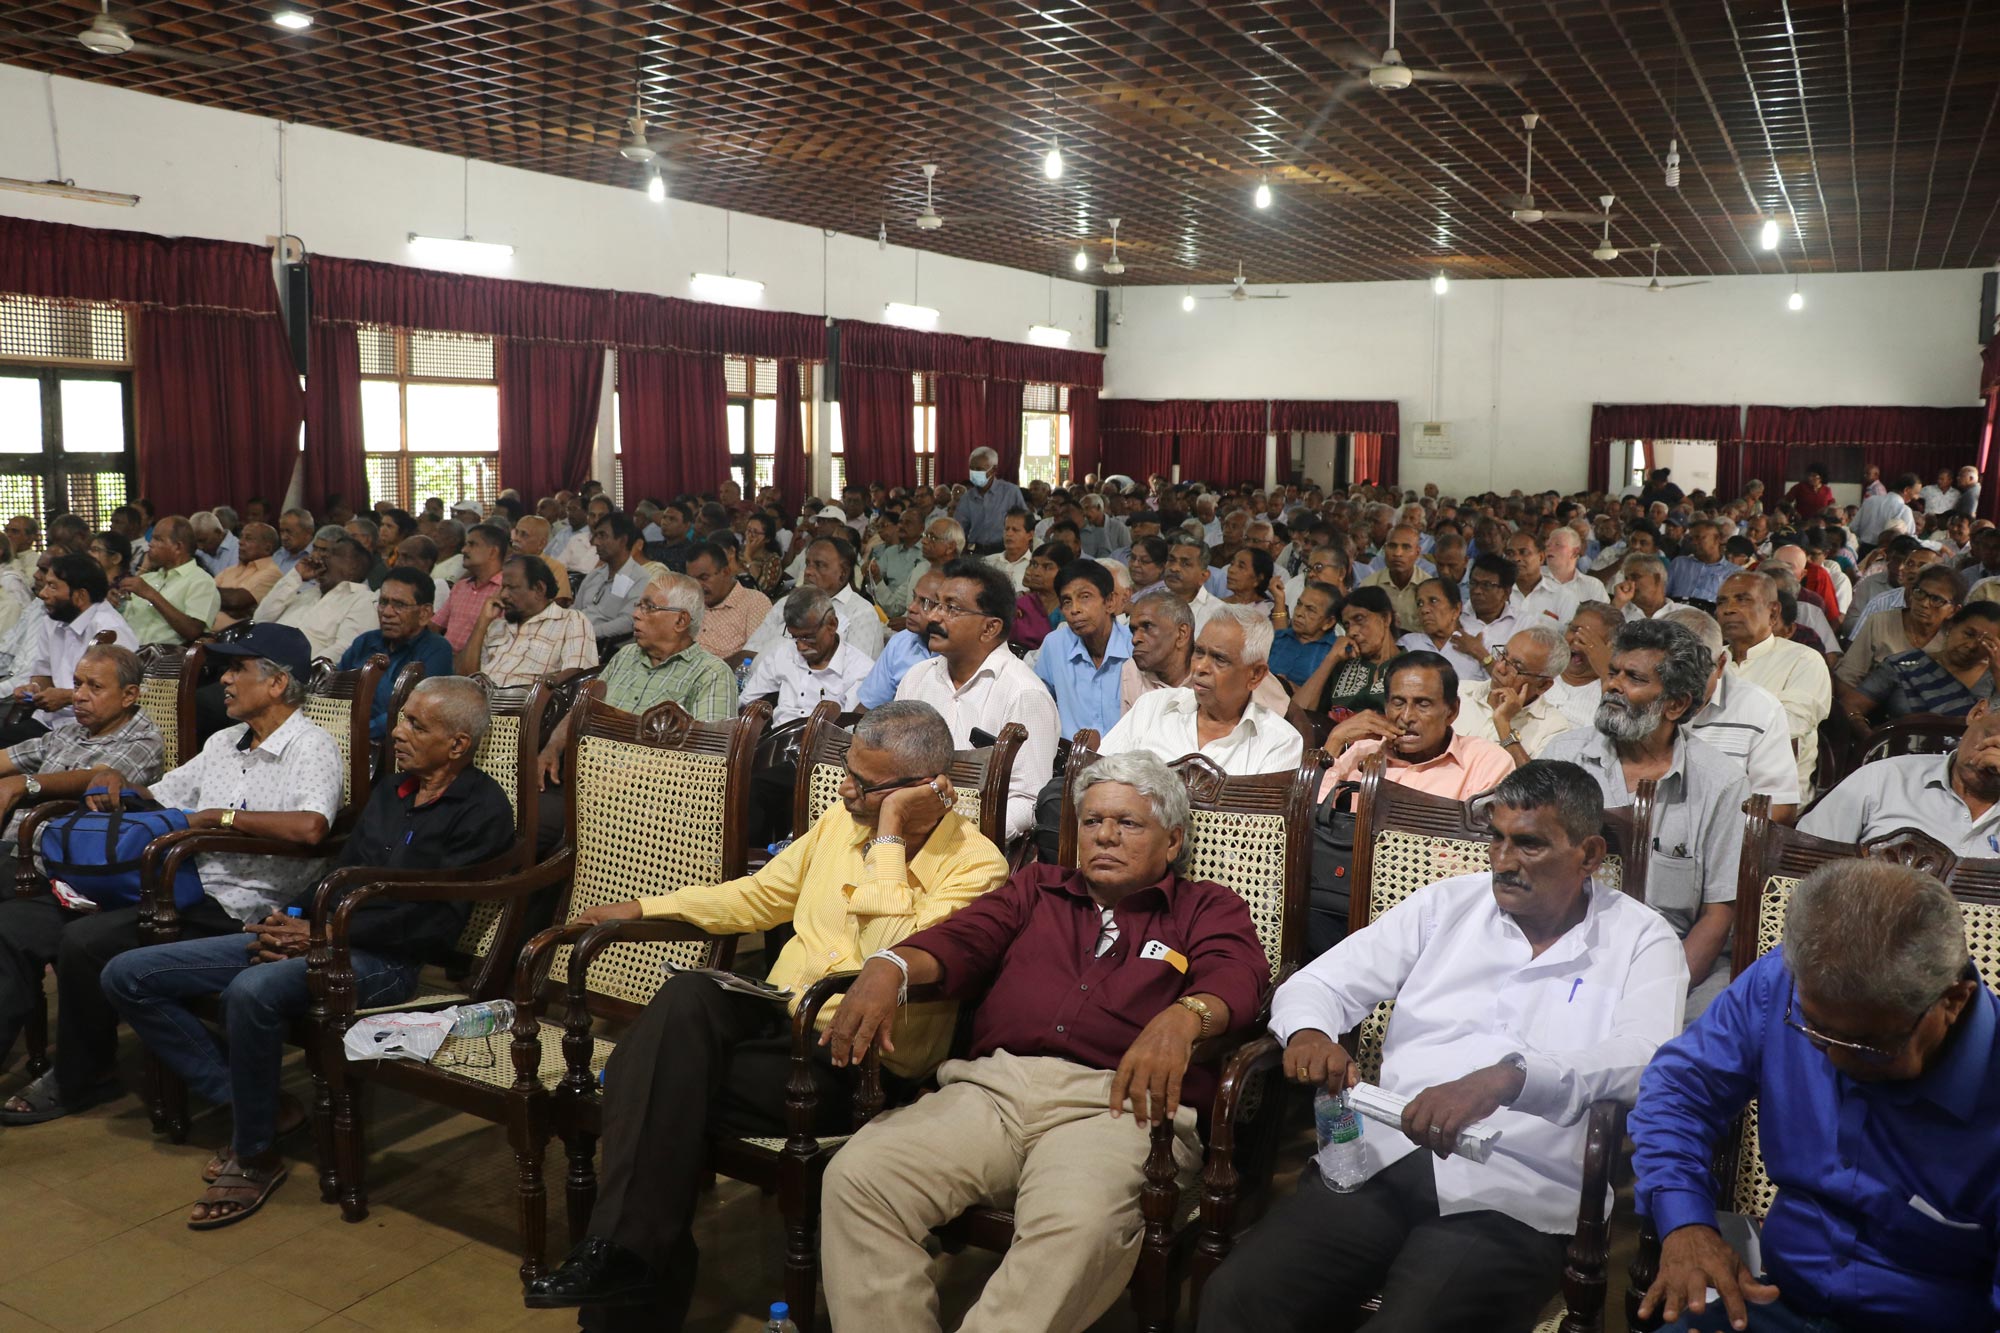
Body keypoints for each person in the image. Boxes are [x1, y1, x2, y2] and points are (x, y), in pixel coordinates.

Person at [524, 702, 1007, 1328]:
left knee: (651, 1086)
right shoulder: (838, 823)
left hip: (855, 1061)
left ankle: (628, 1276)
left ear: (922, 789)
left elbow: (885, 959)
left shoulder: (978, 866)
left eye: (865, 784)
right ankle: (632, 1257)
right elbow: (758, 896)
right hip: (780, 1017)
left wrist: (888, 836)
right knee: (688, 996)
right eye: (847, 771)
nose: (844, 789)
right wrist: (643, 908)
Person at [1201, 761, 1686, 1333]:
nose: (1503, 861)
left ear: (1589, 855)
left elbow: (1645, 1058)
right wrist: (1310, 1031)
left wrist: (1509, 1079)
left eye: (1529, 844)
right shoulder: (1447, 905)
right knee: (1237, 1298)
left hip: (1519, 1190)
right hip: (1383, 1157)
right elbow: (1320, 983)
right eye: (1497, 838)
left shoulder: (1641, 937)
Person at [820, 749, 1268, 1333]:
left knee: (1079, 1224)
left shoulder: (1206, 906)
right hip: (991, 1091)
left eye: (1128, 823)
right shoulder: (1037, 888)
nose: (1105, 836)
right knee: (860, 1176)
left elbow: (1238, 978)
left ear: (1173, 841)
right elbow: (963, 938)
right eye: (1092, 821)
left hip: (1117, 1108)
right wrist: (890, 966)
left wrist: (1186, 1016)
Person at [97, 676, 513, 1226]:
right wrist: (288, 918)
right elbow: (342, 872)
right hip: (321, 938)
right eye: (402, 718)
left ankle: (254, 1155)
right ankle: (261, 1107)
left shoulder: (482, 809)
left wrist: (324, 936)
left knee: (251, 991)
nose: (398, 732)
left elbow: (432, 923)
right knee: (128, 974)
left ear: (458, 744)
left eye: (416, 724)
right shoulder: (393, 790)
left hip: (385, 963)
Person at [1630, 859, 1996, 1333]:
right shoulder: (1782, 983)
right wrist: (1685, 1220)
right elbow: (1679, 1090)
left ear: (1953, 1001)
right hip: (1780, 1301)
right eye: (1815, 1032)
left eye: (1868, 1045)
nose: (1836, 1060)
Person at [0, 625, 344, 1124]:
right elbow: (161, 796)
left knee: (86, 941)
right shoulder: (225, 742)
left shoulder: (311, 746)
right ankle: (85, 1065)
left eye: (237, 669)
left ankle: (80, 1075)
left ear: (276, 683)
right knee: (25, 924)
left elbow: (312, 827)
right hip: (179, 882)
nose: (224, 679)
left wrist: (221, 818)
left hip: (241, 903)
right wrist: (117, 781)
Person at [1541, 620, 1745, 1017]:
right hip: (1563, 949)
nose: (1612, 686)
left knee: (1700, 1029)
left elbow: (1718, 913)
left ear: (1676, 704)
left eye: (1634, 678)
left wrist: (1658, 993)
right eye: (1613, 672)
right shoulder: (1562, 757)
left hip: (1673, 961)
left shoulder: (1721, 783)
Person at [896, 559, 1057, 842]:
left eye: (951, 608)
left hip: (973, 843)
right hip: (905, 825)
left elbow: (1028, 800)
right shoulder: (918, 677)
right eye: (936, 604)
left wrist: (961, 835)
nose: (934, 617)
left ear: (990, 628)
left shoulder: (1023, 693)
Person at [0, 644, 164, 885]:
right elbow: (5, 759)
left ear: (128, 695)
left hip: (52, 865)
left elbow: (97, 778)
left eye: (95, 687)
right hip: (11, 848)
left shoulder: (143, 741)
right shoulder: (70, 733)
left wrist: (23, 784)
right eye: (77, 684)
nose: (79, 696)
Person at [1101, 606, 1304, 776]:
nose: (1199, 667)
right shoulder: (1152, 707)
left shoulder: (1279, 742)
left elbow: (1261, 813)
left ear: (1256, 675)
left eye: (1219, 659)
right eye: (1198, 652)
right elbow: (1099, 775)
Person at [1799, 697, 2000, 855]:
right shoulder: (1882, 779)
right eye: (1990, 740)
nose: (1989, 758)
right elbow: (1804, 857)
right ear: (1977, 713)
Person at [1316, 650, 1513, 802]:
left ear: (1452, 711)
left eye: (1423, 704)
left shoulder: (1484, 762)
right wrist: (1334, 741)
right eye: (1398, 703)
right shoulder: (1362, 753)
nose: (1407, 716)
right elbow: (1308, 818)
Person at [1664, 607, 1802, 822]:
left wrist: (1717, 832)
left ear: (1720, 665)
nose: (1683, 685)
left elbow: (1779, 807)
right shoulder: (1638, 696)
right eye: (1670, 673)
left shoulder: (1760, 710)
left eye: (1695, 673)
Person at [1715, 572, 1832, 799]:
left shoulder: (1803, 660)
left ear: (1774, 612)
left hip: (1770, 796)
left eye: (1742, 600)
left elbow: (1783, 734)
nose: (1728, 609)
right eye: (1721, 602)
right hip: (1706, 789)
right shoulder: (1709, 660)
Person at [10, 552, 138, 744]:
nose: (43, 593)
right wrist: (33, 690)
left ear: (80, 596)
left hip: (91, 730)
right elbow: (43, 673)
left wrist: (68, 697)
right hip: (48, 723)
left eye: (53, 586)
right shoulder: (53, 620)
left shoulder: (109, 630)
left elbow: (118, 693)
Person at [338, 567, 456, 740]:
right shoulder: (364, 642)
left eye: (399, 605)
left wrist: (359, 732)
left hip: (395, 748)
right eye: (383, 602)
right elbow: (334, 692)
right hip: (343, 737)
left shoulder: (437, 650)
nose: (387, 612)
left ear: (424, 614)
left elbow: (415, 713)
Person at [1842, 600, 2000, 724]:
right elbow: (1850, 705)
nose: (1972, 646)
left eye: (1986, 642)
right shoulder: (1905, 665)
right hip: (1899, 750)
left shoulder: (1994, 678)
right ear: (1951, 627)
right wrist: (1871, 738)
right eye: (1968, 634)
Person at [459, 554, 597, 687]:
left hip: (528, 700)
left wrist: (545, 687)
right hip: (481, 700)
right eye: (503, 587)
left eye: (511, 587)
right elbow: (466, 678)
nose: (503, 595)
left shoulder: (571, 620)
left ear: (539, 589)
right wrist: (482, 621)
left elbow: (578, 673)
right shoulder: (496, 625)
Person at [742, 587, 872, 726]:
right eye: (795, 637)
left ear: (832, 625)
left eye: (808, 637)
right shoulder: (783, 654)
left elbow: (849, 730)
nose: (801, 647)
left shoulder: (860, 672)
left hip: (825, 739)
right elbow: (745, 702)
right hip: (777, 736)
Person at [1035, 559, 1134, 741]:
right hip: (1069, 755)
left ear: (1110, 602)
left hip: (1125, 756)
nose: (1075, 609)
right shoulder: (1055, 645)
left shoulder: (1134, 646)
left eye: (1085, 597)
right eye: (1067, 601)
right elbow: (1038, 702)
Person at [745, 536, 885, 660]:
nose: (808, 571)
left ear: (843, 574)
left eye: (819, 565)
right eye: (808, 564)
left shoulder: (861, 613)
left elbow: (858, 673)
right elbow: (750, 651)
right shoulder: (786, 603)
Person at [1456, 625, 1577, 764]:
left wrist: (1503, 724)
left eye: (1516, 667)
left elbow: (1534, 779)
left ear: (1543, 685)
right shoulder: (1459, 691)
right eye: (1503, 654)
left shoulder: (1555, 729)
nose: (1499, 667)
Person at [1838, 563, 1961, 688]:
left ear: (1953, 611)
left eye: (1936, 600)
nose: (1924, 603)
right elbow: (1847, 677)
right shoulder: (1880, 622)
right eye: (1920, 593)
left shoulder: (1953, 639)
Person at [1295, 586, 1403, 718]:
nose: (1351, 632)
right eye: (1347, 625)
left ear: (1386, 618)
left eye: (1359, 619)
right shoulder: (1341, 667)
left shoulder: (1412, 666)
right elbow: (1297, 713)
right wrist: (1331, 658)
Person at [270, 535, 379, 662]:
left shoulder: (364, 600)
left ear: (353, 567)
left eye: (334, 553)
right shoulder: (310, 592)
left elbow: (345, 649)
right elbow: (262, 618)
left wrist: (302, 667)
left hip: (291, 669)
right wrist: (295, 576)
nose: (323, 556)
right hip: (261, 655)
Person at [115, 516, 218, 646]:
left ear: (178, 547)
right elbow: (125, 622)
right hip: (126, 649)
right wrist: (115, 605)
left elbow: (193, 631)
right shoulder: (148, 579)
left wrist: (151, 594)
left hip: (165, 656)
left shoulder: (201, 581)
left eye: (158, 539)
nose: (150, 544)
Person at [856, 568, 943, 711]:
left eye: (925, 603)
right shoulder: (900, 642)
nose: (911, 608)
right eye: (914, 597)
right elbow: (869, 706)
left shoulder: (959, 653)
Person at [570, 512, 650, 652]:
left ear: (623, 541)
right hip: (575, 639)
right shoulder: (595, 575)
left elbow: (628, 621)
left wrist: (588, 632)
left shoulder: (640, 578)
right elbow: (576, 609)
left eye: (602, 536)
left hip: (604, 648)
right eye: (595, 536)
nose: (595, 542)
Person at [683, 539, 769, 664]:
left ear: (726, 572)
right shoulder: (687, 602)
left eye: (704, 578)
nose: (697, 585)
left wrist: (712, 669)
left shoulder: (754, 603)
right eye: (692, 580)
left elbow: (755, 657)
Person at [1399, 575, 1489, 683]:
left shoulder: (1479, 639)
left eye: (1433, 601)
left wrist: (1479, 653)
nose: (1424, 609)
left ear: (1456, 609)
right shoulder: (1409, 644)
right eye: (1420, 603)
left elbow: (1501, 683)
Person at [434, 522, 507, 653]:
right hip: (445, 659)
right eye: (465, 544)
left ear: (493, 552)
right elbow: (435, 625)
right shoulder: (460, 586)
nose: (464, 550)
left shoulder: (506, 591)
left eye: (472, 544)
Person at [954, 447, 1029, 554]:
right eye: (972, 468)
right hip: (977, 551)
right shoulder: (967, 498)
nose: (974, 472)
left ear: (993, 470)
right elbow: (959, 529)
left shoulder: (1011, 492)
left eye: (979, 469)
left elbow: (1025, 522)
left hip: (1004, 551)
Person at [211, 521, 281, 629]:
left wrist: (207, 593)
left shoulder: (273, 573)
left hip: (239, 635)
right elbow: (203, 596)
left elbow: (235, 600)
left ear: (267, 548)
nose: (240, 542)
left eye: (248, 538)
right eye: (241, 537)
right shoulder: (229, 571)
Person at [1269, 581, 1341, 687]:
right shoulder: (1276, 638)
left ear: (1328, 622)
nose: (1299, 613)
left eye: (1310, 610)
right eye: (1299, 604)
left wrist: (1293, 689)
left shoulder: (1336, 652)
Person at [1505, 531, 1577, 627]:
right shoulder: (1497, 594)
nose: (1516, 558)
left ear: (1541, 557)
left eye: (1524, 552)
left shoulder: (1563, 597)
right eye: (1510, 553)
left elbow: (1568, 634)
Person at [1362, 525, 1425, 632]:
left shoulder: (1428, 587)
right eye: (1392, 546)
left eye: (1406, 547)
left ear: (1417, 553)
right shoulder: (1369, 586)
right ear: (1384, 549)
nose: (1397, 553)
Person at [1011, 540, 1070, 651]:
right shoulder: (1019, 603)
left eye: (1047, 567)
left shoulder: (1068, 608)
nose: (1036, 572)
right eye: (1034, 564)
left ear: (1063, 571)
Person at [1665, 519, 1732, 608]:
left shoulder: (1732, 573)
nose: (1694, 542)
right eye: (1691, 539)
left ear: (1717, 539)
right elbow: (1663, 594)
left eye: (1698, 537)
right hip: (1674, 612)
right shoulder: (1679, 564)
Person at [509, 515, 573, 601]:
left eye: (524, 535)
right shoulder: (508, 564)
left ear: (541, 544)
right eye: (516, 533)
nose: (516, 538)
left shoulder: (555, 568)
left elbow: (559, 602)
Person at [1852, 471, 1921, 549]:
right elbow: (1908, 540)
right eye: (1916, 493)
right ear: (1906, 490)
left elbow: (1854, 527)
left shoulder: (1870, 500)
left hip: (1863, 549)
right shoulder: (1904, 510)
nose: (1917, 497)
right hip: (1886, 552)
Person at [188, 511, 239, 576]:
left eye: (202, 541)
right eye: (196, 541)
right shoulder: (196, 551)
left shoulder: (238, 550)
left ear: (218, 533)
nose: (199, 547)